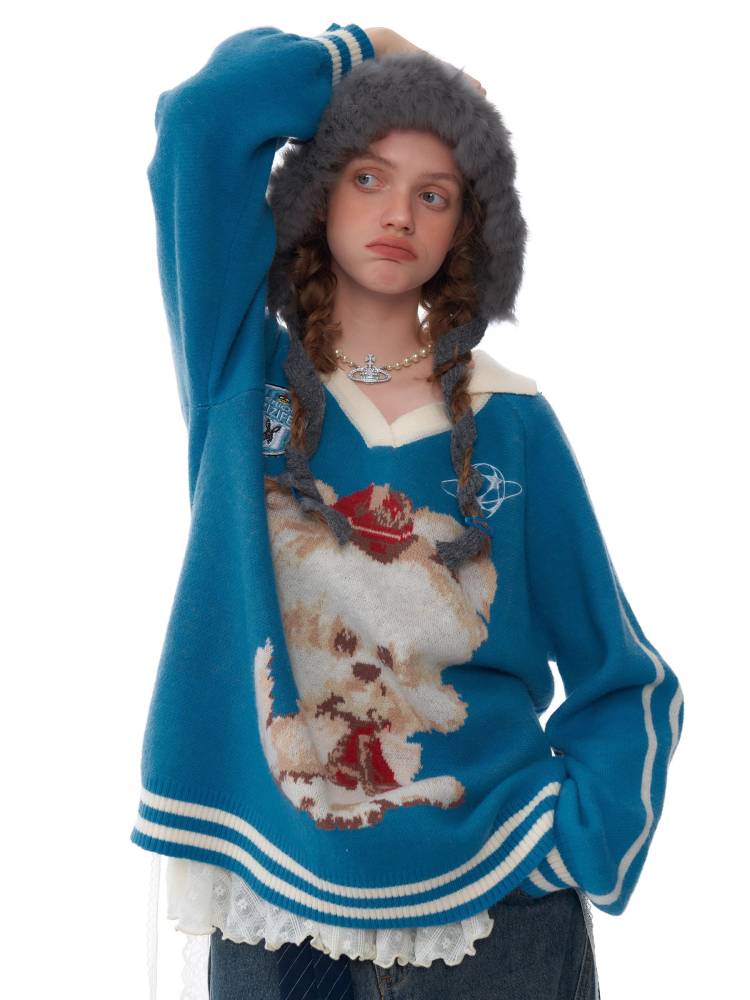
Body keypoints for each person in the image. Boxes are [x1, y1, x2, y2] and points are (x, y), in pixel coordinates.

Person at [132, 22, 685, 1000]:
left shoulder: (511, 419)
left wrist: (565, 845)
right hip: (279, 915)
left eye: (434, 194)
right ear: (316, 194)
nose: (398, 213)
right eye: (368, 177)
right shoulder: (242, 377)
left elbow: (625, 678)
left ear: (464, 227)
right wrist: (374, 49)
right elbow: (204, 122)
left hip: (492, 921)